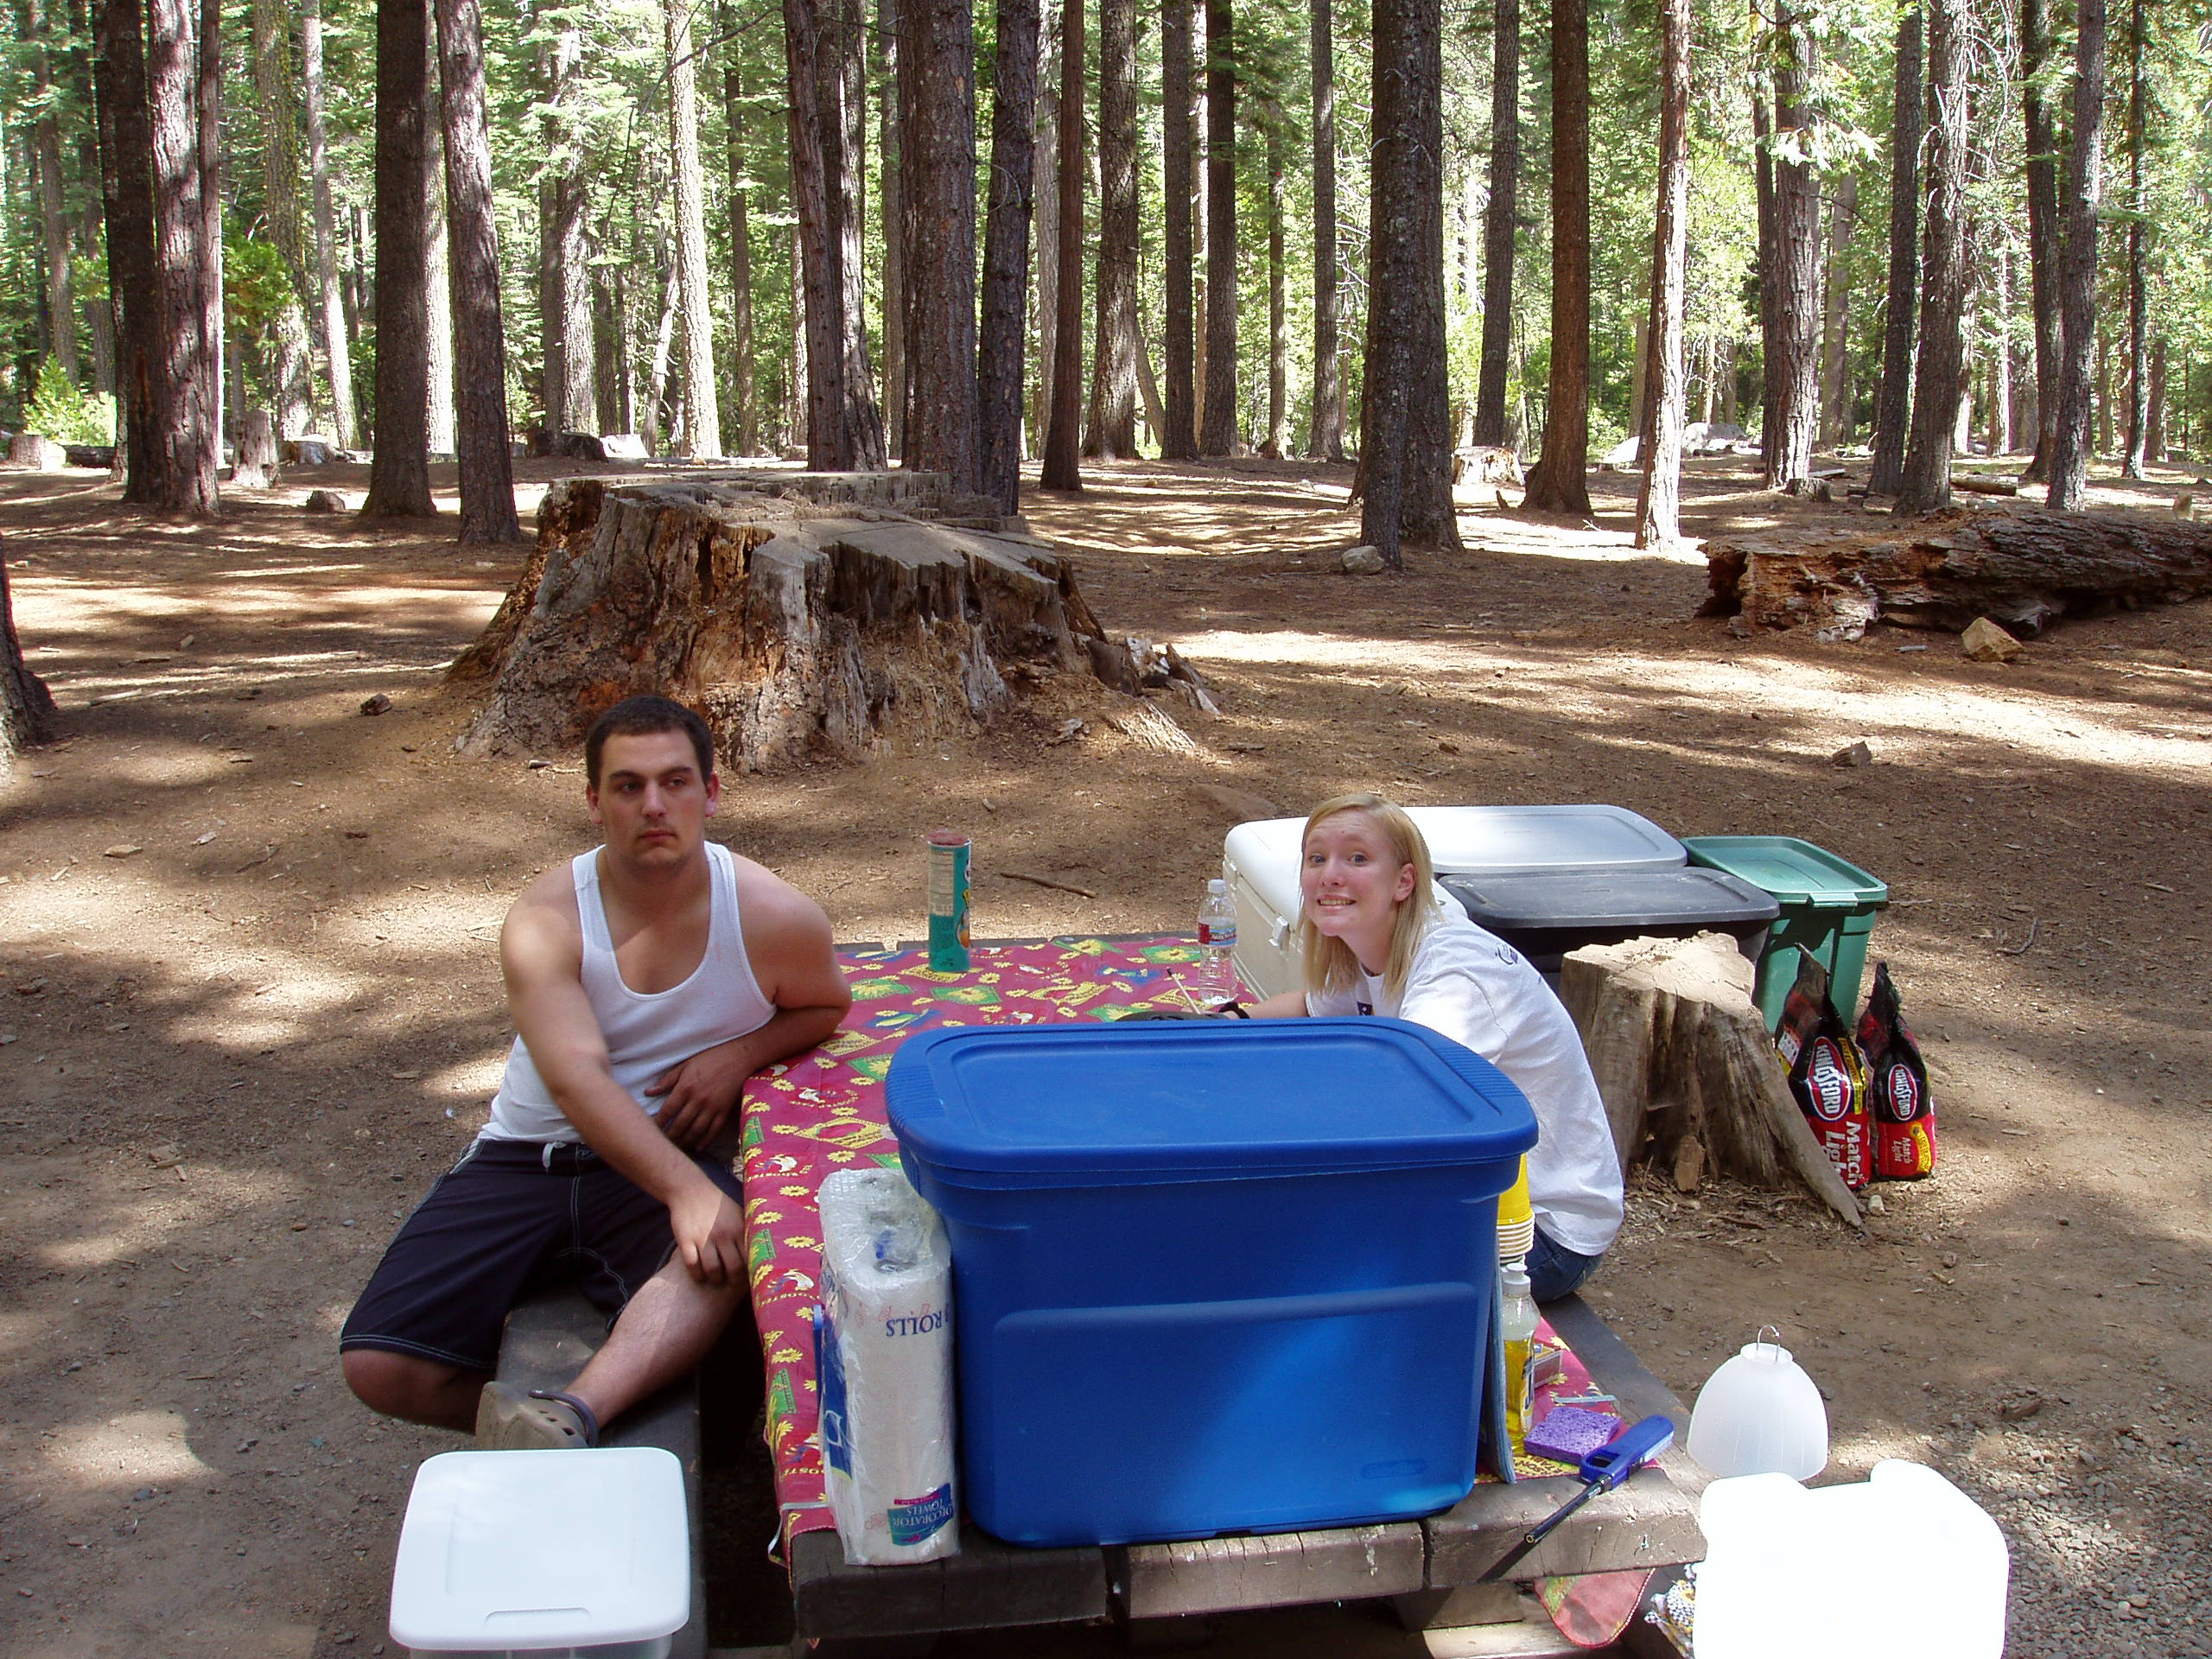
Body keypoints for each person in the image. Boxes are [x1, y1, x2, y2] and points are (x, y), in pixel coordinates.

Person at [340, 695, 852, 1448]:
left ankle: (571, 1417)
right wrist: (688, 1192)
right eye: (628, 786)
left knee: (728, 1250)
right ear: (594, 803)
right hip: (528, 1156)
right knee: (379, 1366)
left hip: (655, 1153)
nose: (654, 806)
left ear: (711, 793)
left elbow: (826, 1005)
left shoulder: (772, 916)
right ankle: (572, 1417)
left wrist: (736, 1057)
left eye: (675, 782)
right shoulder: (546, 917)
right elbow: (576, 1080)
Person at [1246, 793, 1624, 1301]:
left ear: (1404, 881)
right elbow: (1310, 1007)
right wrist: (1219, 1021)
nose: (1330, 875)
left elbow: (1407, 1104)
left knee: (1288, 1254)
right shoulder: (1367, 945)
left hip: (1539, 1229)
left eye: (1356, 858)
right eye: (1317, 858)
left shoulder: (1456, 969)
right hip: (1465, 1196)